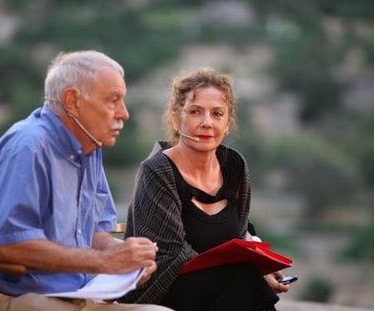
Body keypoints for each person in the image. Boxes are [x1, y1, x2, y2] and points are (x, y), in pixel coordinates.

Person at [0, 50, 171, 311]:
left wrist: (127, 259)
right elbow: (9, 246)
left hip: (76, 295)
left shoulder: (90, 148)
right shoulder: (28, 147)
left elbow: (95, 235)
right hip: (12, 296)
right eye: (113, 100)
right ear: (72, 101)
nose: (124, 113)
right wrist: (105, 262)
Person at [120, 68, 291, 310]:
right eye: (195, 112)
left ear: (227, 123)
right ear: (175, 118)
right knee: (245, 280)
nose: (206, 123)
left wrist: (261, 266)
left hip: (226, 289)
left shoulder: (235, 165)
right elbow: (169, 255)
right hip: (165, 288)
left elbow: (240, 231)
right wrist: (245, 270)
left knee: (246, 282)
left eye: (217, 114)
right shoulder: (157, 171)